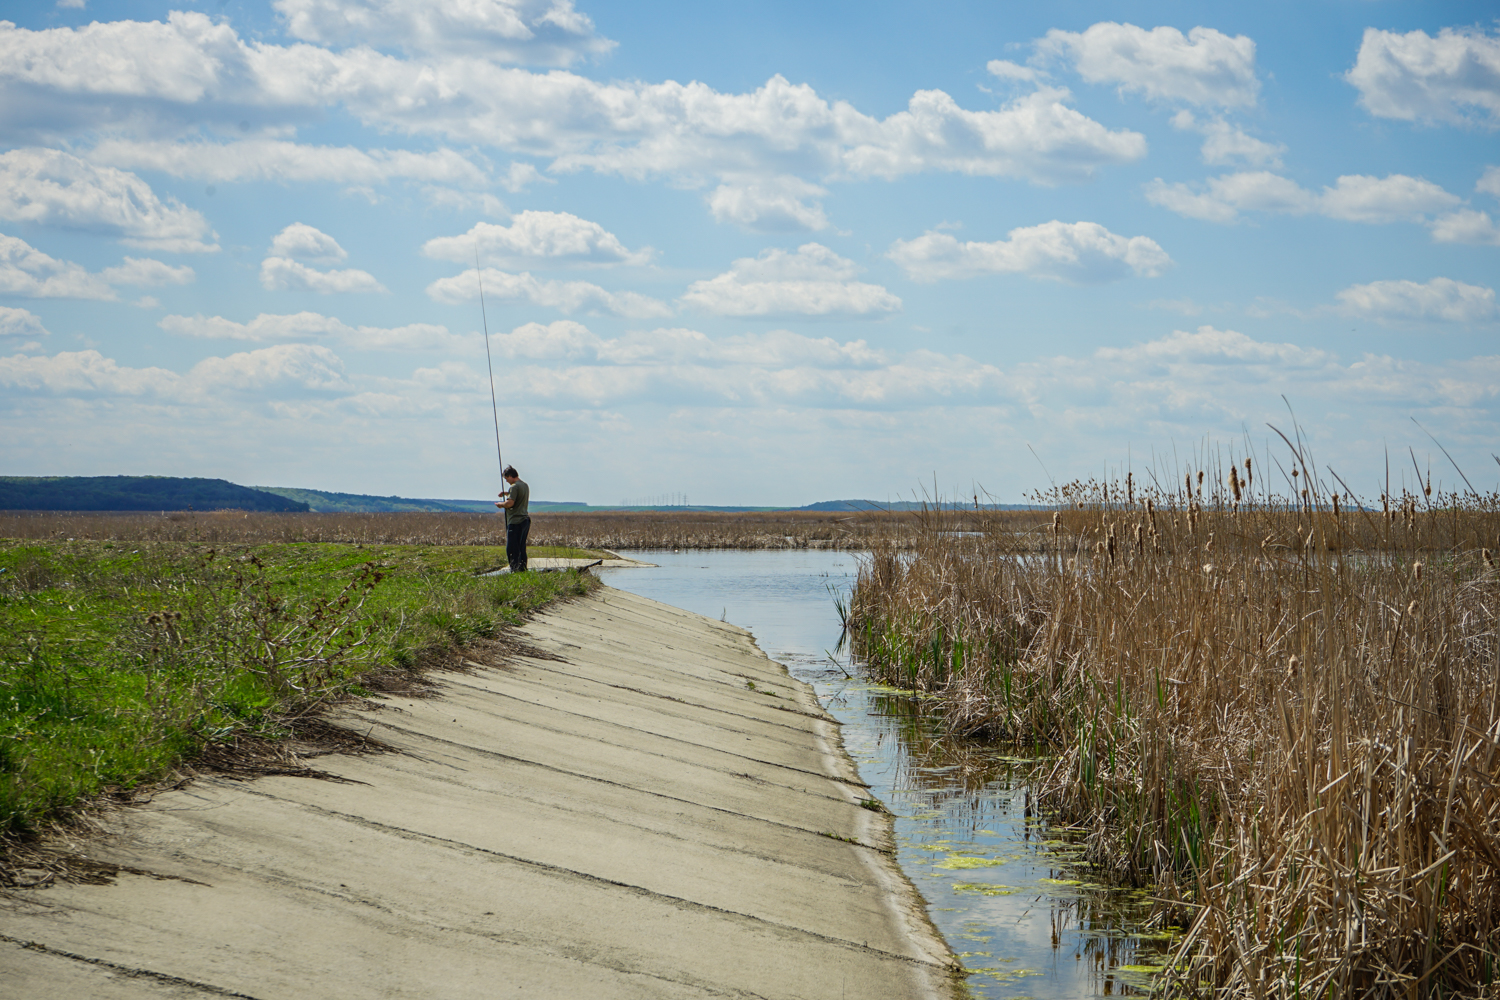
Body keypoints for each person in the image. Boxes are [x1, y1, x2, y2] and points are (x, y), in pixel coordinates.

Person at [495, 465, 530, 573]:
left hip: (515, 522)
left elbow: (510, 503)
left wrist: (501, 504)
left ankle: (515, 570)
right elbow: (518, 495)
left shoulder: (514, 487)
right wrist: (506, 493)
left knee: (512, 549)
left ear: (510, 476)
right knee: (521, 547)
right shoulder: (524, 485)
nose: (506, 481)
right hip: (525, 520)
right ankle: (523, 569)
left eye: (506, 478)